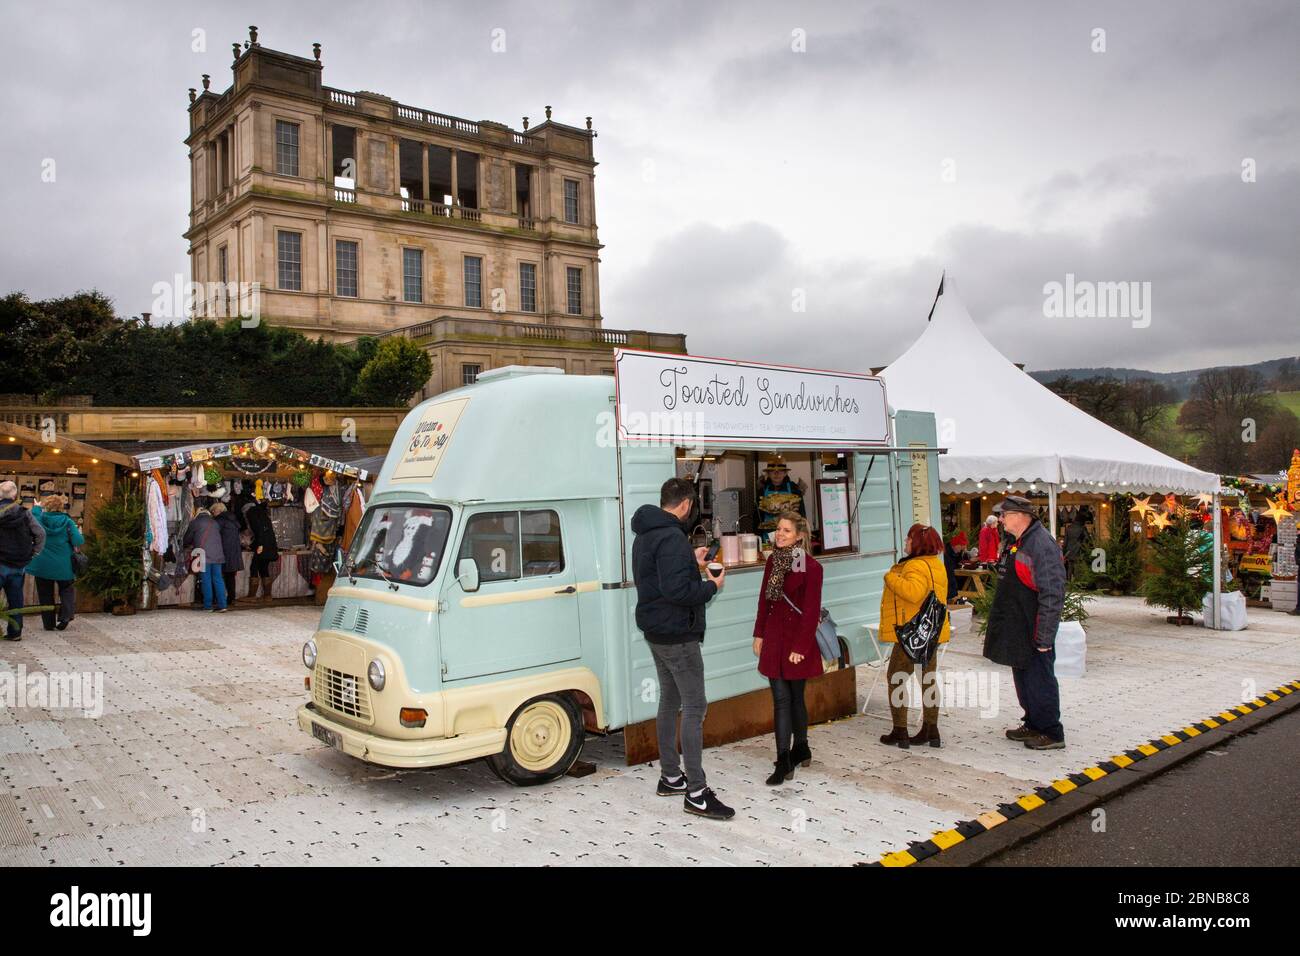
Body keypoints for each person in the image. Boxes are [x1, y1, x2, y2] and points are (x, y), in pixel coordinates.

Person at [631, 477, 732, 820]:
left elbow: (661, 578)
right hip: (677, 634)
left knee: (670, 701)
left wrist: (692, 559)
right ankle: (697, 793)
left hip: (656, 631)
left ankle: (671, 776)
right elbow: (678, 592)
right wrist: (711, 585)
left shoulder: (646, 533)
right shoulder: (671, 537)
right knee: (694, 706)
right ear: (687, 505)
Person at [983, 495, 1067, 750]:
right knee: (1024, 679)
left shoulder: (1040, 545)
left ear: (1020, 515)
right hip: (1018, 628)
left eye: (1004, 515)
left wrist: (1044, 637)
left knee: (1040, 679)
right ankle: (1032, 723)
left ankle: (1051, 732)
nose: (1000, 519)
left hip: (1034, 629)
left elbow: (1052, 592)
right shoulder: (1018, 542)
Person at [752, 511, 823, 785]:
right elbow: (763, 601)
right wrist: (758, 633)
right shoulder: (772, 561)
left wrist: (801, 647)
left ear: (800, 536)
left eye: (786, 531)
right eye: (778, 529)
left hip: (796, 641)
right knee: (781, 699)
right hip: (773, 638)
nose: (779, 534)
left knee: (796, 697)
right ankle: (784, 760)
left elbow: (810, 611)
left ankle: (801, 746)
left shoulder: (811, 568)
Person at [878, 524, 951, 748]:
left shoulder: (914, 566)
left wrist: (890, 577)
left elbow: (913, 592)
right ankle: (931, 730)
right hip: (933, 632)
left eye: (909, 538)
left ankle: (900, 731)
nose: (906, 542)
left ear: (916, 543)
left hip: (912, 634)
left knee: (896, 678)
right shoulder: (936, 564)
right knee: (927, 680)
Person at [27, 495, 82, 631]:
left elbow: (33, 518)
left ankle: (48, 623)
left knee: (45, 593)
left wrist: (37, 508)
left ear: (47, 506)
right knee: (67, 590)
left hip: (42, 564)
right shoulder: (67, 521)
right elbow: (78, 541)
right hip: (64, 564)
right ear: (61, 507)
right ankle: (65, 617)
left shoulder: (39, 519)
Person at [0, 480, 46, 641]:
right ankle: (15, 632)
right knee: (16, 600)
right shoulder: (25, 513)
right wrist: (34, 553)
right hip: (19, 564)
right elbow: (40, 534)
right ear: (14, 495)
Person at [182, 499, 227, 612]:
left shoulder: (195, 523)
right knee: (218, 579)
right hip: (218, 555)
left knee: (206, 579)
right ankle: (223, 605)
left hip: (203, 555)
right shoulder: (215, 523)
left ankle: (208, 606)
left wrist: (184, 544)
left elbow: (187, 538)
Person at [239, 499, 279, 603]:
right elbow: (263, 530)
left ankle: (252, 596)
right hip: (269, 545)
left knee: (254, 567)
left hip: (263, 546)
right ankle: (267, 596)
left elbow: (259, 529)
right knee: (263, 568)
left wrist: (259, 544)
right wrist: (254, 545)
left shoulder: (252, 513)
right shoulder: (262, 513)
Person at [756, 457, 805, 541]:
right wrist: (757, 538)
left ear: (785, 473)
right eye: (772, 471)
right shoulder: (762, 490)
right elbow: (757, 517)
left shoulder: (794, 489)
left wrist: (802, 536)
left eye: (780, 470)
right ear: (768, 473)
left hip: (789, 536)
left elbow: (802, 515)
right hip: (767, 536)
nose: (776, 473)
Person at [211, 502, 244, 608]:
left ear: (219, 511)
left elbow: (214, 536)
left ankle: (217, 598)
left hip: (222, 551)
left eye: (213, 511)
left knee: (217, 576)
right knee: (230, 577)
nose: (212, 513)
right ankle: (231, 599)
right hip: (234, 552)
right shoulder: (233, 520)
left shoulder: (219, 521)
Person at [1063, 510, 1091, 578]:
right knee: (1077, 566)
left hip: (1069, 550)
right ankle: (1076, 583)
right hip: (1079, 549)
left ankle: (1069, 582)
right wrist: (1082, 544)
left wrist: (1064, 551)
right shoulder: (1082, 528)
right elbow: (1088, 538)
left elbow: (1065, 541)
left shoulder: (1069, 528)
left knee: (1070, 566)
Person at [942, 531, 967, 603]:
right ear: (956, 545)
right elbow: (950, 574)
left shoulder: (956, 553)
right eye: (961, 547)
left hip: (953, 584)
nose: (961, 550)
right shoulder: (946, 556)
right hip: (950, 587)